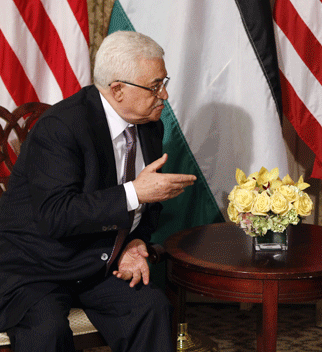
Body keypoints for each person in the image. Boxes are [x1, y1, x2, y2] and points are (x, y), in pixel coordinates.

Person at [0, 31, 197, 352]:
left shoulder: (149, 123)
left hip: (98, 262)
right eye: (155, 85)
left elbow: (149, 207)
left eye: (164, 82)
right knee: (46, 333)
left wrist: (135, 241)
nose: (165, 94)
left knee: (151, 308)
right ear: (117, 89)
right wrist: (135, 192)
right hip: (35, 267)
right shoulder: (61, 128)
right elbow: (57, 216)